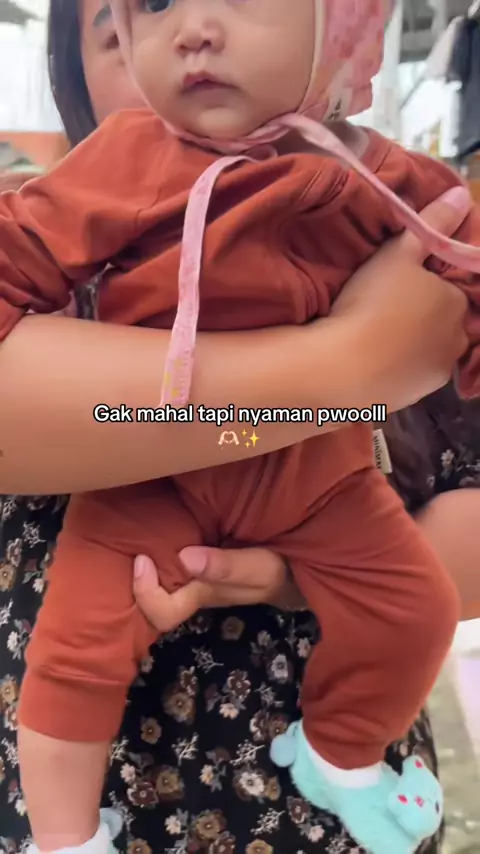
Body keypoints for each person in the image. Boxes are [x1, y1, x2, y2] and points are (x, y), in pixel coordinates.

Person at [0, 1, 478, 852]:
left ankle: (342, 757)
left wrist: (296, 577)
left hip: (319, 487)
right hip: (146, 490)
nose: (194, 29)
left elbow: (466, 274)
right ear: (80, 69)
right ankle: (66, 839)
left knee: (415, 609)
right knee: (72, 657)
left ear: (346, 38)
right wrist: (350, 364)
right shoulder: (116, 167)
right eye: (151, 7)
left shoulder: (378, 175)